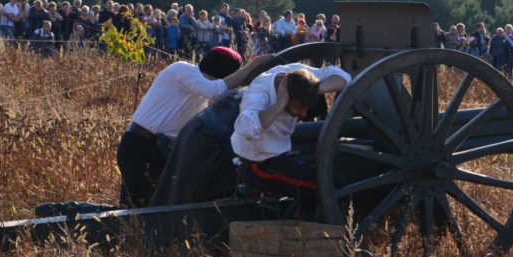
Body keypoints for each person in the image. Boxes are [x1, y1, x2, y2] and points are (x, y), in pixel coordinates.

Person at [117, 47, 273, 208]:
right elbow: (217, 90)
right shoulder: (182, 70)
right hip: (139, 146)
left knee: (159, 203)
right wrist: (251, 67)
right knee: (135, 205)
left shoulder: (201, 94)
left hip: (163, 150)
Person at [231, 64, 350, 209]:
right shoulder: (259, 93)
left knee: (315, 182)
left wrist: (314, 90)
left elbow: (343, 77)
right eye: (299, 107)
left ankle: (305, 219)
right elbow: (246, 128)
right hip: (260, 165)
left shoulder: (296, 76)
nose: (304, 114)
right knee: (336, 186)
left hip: (281, 154)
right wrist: (281, 103)